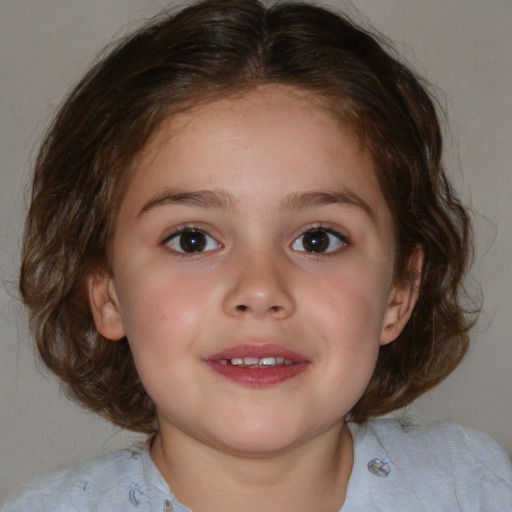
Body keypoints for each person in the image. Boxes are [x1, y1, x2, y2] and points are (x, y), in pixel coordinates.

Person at [3, 0, 511, 510]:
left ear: (399, 293)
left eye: (318, 239)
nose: (260, 289)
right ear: (108, 296)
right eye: (192, 240)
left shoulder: (475, 487)